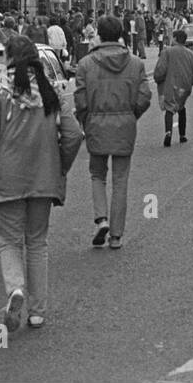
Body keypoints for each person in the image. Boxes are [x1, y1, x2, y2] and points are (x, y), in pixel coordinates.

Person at [0, 36, 83, 330]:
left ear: (8, 57)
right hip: (43, 176)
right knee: (37, 243)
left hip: (7, 176)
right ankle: (37, 311)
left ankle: (15, 289)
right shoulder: (50, 91)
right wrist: (60, 165)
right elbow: (73, 134)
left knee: (9, 240)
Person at [75, 16, 152, 250]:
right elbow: (145, 96)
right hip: (125, 124)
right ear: (120, 34)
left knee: (97, 174)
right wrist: (131, 114)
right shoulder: (136, 63)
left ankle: (101, 219)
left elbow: (80, 100)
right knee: (121, 180)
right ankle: (116, 235)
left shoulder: (86, 64)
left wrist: (86, 120)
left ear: (99, 34)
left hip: (96, 123)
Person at [154, 29, 193, 146]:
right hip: (185, 86)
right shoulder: (191, 54)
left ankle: (168, 132)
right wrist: (190, 83)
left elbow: (160, 70)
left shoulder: (167, 52)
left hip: (171, 85)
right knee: (181, 107)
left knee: (170, 108)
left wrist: (157, 79)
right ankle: (182, 135)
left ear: (176, 39)